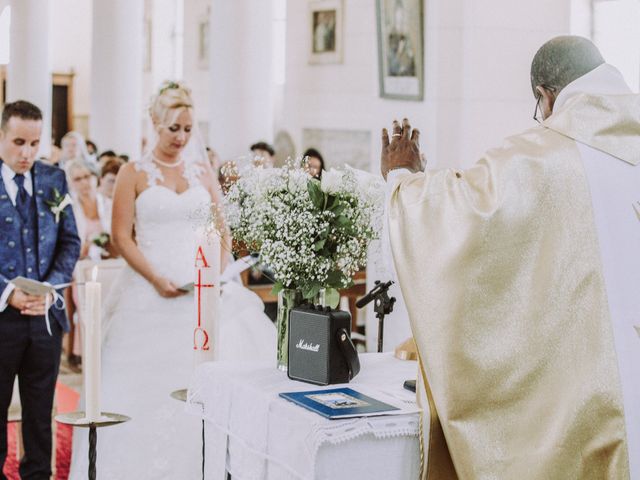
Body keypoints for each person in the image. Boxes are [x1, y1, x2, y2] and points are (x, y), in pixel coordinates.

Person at [383, 36, 639, 479]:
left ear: (547, 96)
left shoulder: (542, 158)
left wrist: (404, 177)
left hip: (599, 402)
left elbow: (458, 220)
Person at [70, 81, 276, 479]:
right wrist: (156, 278)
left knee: (218, 377)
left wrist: (213, 276)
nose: (182, 138)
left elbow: (222, 229)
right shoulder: (133, 173)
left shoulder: (201, 170)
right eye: (173, 129)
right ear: (154, 123)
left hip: (202, 290)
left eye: (187, 128)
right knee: (143, 391)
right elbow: (121, 237)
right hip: (150, 291)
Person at [0, 100, 80, 479]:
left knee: (39, 415)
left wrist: (49, 290)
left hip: (46, 319)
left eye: (34, 144)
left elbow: (70, 242)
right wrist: (7, 293)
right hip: (1, 318)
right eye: (18, 142)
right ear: (1, 135)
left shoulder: (54, 179)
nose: (27, 153)